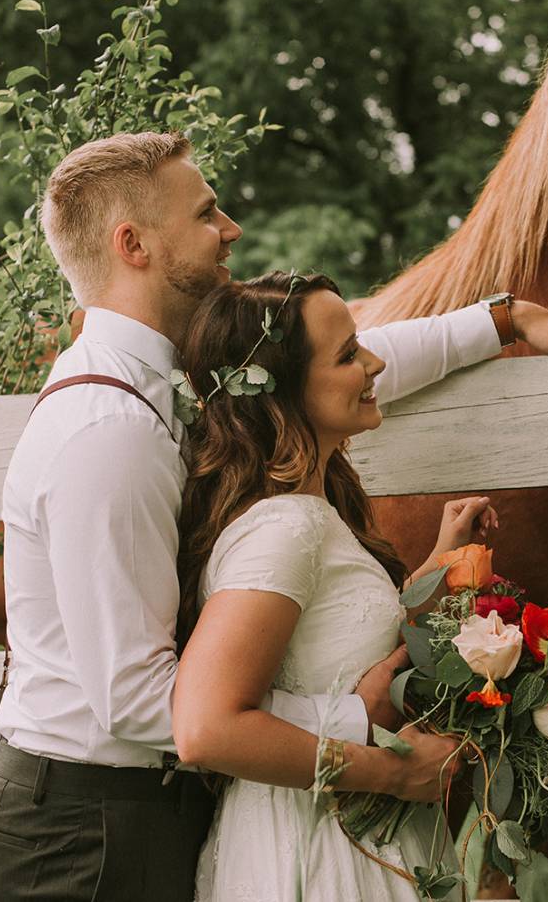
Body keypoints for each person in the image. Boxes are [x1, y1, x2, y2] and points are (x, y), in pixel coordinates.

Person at [0, 130, 548, 902]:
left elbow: (323, 369)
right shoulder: (109, 432)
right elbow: (140, 705)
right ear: (133, 243)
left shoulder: (161, 382)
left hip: (139, 815)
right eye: (205, 213)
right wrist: (360, 722)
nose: (229, 228)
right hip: (79, 837)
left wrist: (495, 322)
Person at [173, 273, 512, 901]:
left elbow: (330, 650)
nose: (374, 361)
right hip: (320, 852)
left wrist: (440, 569)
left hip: (357, 839)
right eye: (348, 353)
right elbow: (205, 727)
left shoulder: (311, 510)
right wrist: (387, 773)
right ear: (284, 394)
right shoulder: (283, 530)